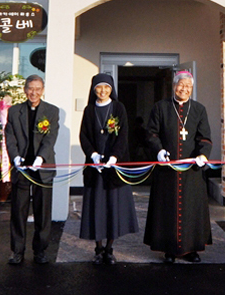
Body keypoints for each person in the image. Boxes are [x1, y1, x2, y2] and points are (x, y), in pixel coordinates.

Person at [144, 71, 212, 264]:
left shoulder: (199, 109)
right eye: (181, 85)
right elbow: (152, 134)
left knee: (191, 210)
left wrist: (202, 155)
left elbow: (205, 137)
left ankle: (192, 249)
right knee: (168, 209)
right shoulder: (160, 107)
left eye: (188, 86)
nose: (184, 89)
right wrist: (159, 151)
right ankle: (169, 249)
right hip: (167, 170)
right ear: (174, 86)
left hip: (192, 171)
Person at [79, 73, 139, 265]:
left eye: (106, 87)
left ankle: (109, 249)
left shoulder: (118, 108)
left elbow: (123, 134)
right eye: (99, 87)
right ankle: (97, 248)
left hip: (114, 167)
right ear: (93, 89)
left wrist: (114, 157)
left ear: (111, 89)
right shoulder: (89, 110)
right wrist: (93, 155)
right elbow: (84, 136)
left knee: (113, 208)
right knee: (96, 208)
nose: (103, 91)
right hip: (95, 167)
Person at [5, 75, 59, 264]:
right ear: (24, 89)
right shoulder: (14, 111)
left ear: (42, 90)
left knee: (42, 212)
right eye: (30, 88)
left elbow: (50, 138)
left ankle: (40, 251)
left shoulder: (51, 111)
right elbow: (10, 138)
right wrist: (16, 158)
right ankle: (17, 251)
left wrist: (40, 157)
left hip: (42, 168)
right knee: (18, 211)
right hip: (21, 168)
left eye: (37, 89)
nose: (33, 93)